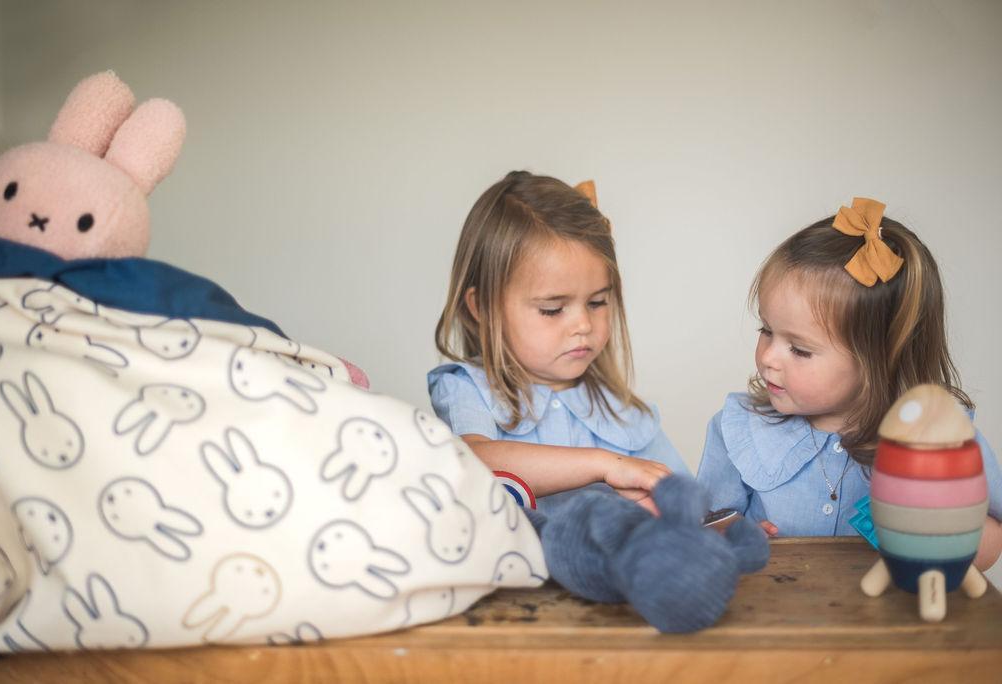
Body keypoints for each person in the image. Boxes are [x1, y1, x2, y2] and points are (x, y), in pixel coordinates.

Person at [697, 197, 1002, 571]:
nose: (768, 358)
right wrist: (732, 539)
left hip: (893, 626)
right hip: (776, 621)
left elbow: (989, 548)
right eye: (766, 330)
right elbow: (703, 527)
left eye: (800, 349)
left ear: (880, 359)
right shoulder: (739, 429)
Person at [429, 170, 688, 513]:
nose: (583, 324)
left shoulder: (622, 411)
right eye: (552, 310)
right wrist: (603, 464)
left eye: (597, 302)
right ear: (483, 308)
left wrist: (719, 524)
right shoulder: (467, 390)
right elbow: (473, 462)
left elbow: (682, 499)